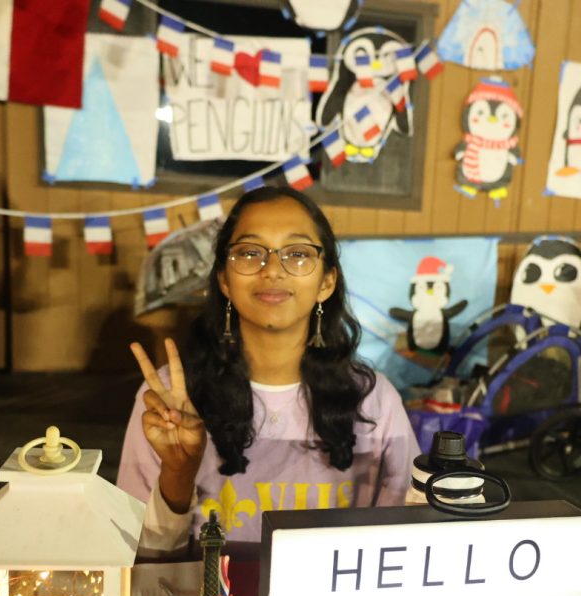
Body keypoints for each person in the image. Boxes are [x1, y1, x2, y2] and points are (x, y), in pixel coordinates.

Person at [118, 186, 419, 555]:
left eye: (297, 254)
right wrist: (179, 472)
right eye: (249, 253)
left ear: (326, 282)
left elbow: (403, 542)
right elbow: (134, 553)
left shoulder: (374, 400)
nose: (273, 270)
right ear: (225, 281)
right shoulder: (170, 399)